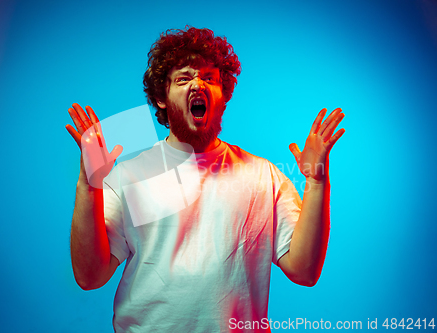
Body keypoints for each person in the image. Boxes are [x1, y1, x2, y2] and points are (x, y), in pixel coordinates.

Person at [65, 26, 345, 333]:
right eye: (184, 78)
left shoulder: (263, 175)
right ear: (161, 97)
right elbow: (89, 277)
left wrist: (317, 183)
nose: (197, 84)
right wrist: (88, 183)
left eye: (209, 78)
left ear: (223, 94)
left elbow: (304, 271)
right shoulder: (130, 175)